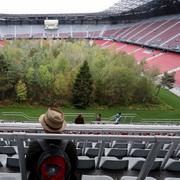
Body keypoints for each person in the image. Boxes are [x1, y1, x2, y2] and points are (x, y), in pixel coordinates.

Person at [26, 108, 78, 180]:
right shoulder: (70, 145)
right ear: (61, 127)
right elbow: (74, 168)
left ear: (44, 127)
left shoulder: (34, 145)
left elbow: (28, 167)